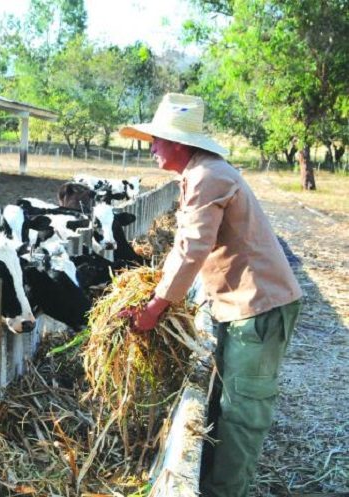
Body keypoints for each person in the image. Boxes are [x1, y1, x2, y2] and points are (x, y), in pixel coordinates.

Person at [118, 93, 303, 497]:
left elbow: (192, 250)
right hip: (238, 306)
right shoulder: (197, 175)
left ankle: (226, 490)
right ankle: (214, 482)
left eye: (156, 140)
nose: (151, 148)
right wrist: (155, 291)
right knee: (223, 400)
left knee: (242, 410)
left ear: (178, 143)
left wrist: (156, 307)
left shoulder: (208, 176)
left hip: (259, 306)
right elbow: (184, 246)